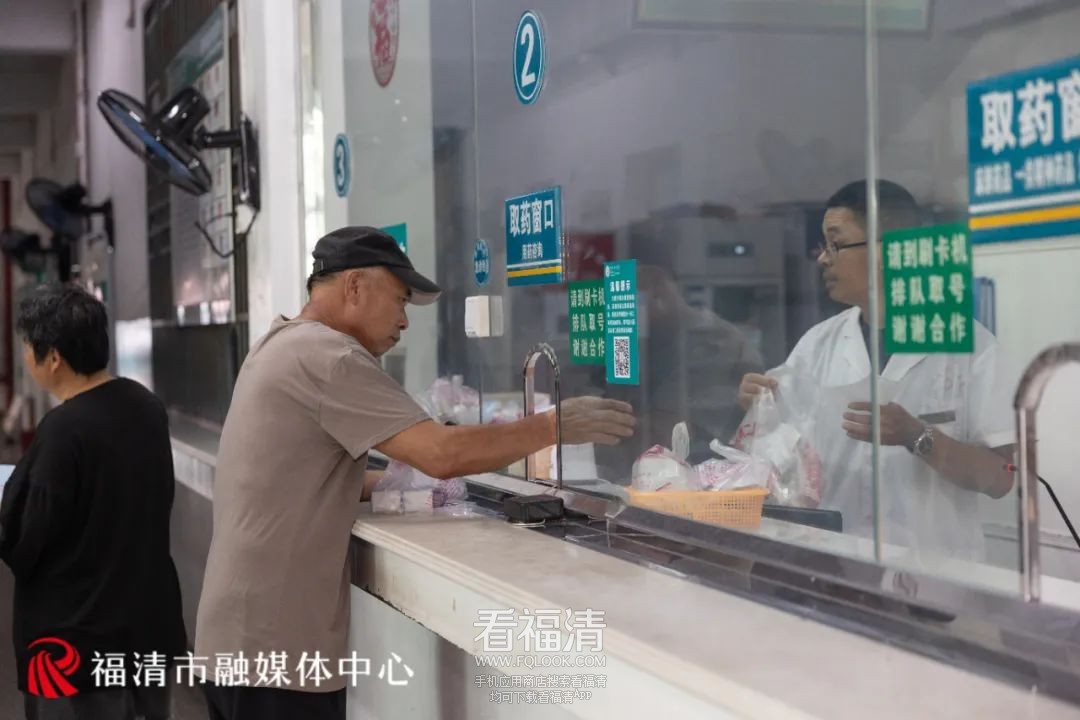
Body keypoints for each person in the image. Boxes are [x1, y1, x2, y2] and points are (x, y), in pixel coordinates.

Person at [196, 226, 636, 720]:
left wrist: (396, 485)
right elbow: (440, 453)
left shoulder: (279, 343)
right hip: (275, 653)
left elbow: (298, 474)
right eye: (401, 300)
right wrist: (551, 425)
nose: (404, 321)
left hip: (237, 639)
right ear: (355, 286)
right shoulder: (330, 356)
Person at [737, 181, 1015, 561]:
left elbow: (1001, 477)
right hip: (836, 567)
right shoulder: (818, 345)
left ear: (887, 250)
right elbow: (783, 458)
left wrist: (919, 436)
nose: (822, 259)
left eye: (835, 244)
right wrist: (759, 404)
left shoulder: (969, 347)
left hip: (937, 572)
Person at [0, 285, 186, 720]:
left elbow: (24, 539)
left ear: (53, 357)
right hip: (147, 629)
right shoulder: (147, 407)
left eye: (27, 346)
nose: (25, 357)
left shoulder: (63, 429)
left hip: (76, 648)